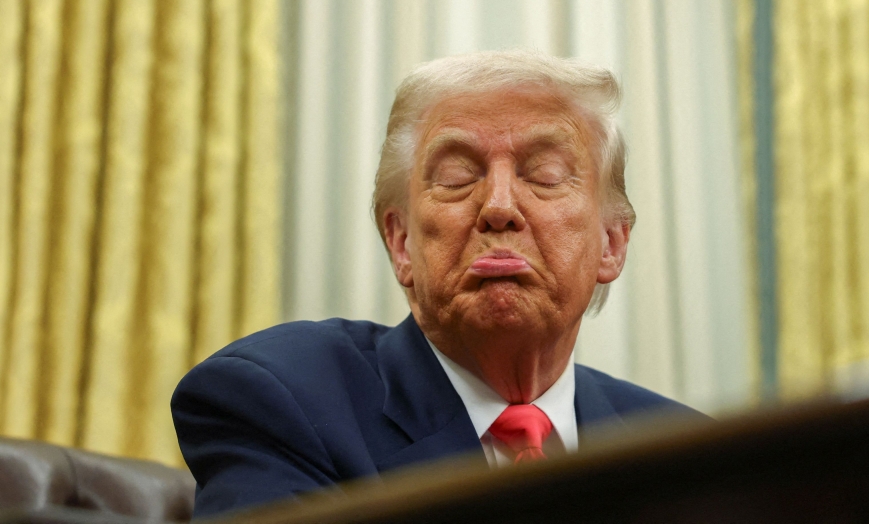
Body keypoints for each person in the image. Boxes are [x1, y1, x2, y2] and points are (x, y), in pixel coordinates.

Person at [171, 49, 706, 517]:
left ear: (611, 244)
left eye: (543, 176)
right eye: (456, 178)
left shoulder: (690, 456)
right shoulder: (284, 402)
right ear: (401, 242)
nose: (498, 207)